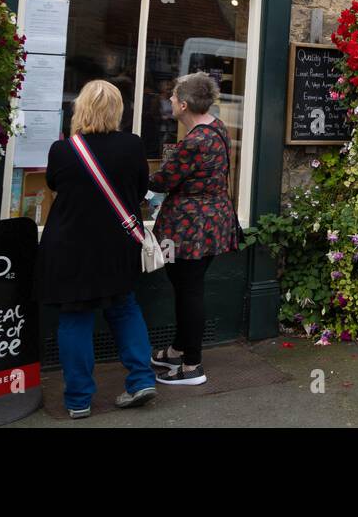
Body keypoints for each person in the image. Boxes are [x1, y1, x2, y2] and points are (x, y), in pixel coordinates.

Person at [37, 80, 156, 418]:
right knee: (124, 307)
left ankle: (78, 400)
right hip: (117, 244)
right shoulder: (133, 146)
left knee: (75, 318)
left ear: (80, 108)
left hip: (70, 246)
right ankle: (141, 379)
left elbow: (54, 185)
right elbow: (142, 187)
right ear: (117, 110)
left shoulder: (63, 150)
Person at [148, 72, 238, 384]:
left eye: (173, 97)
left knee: (188, 290)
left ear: (184, 104)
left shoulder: (195, 142)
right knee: (188, 286)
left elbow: (161, 181)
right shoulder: (216, 127)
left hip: (190, 228)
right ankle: (177, 349)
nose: (170, 100)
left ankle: (191, 366)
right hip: (214, 220)